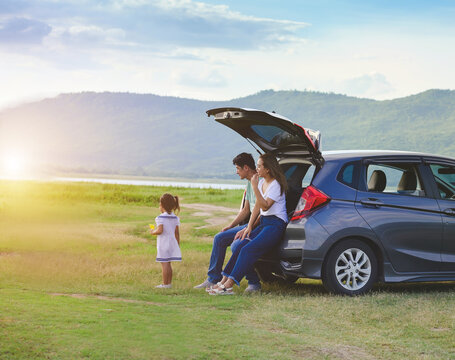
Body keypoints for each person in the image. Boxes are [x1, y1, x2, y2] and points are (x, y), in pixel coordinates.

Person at [209, 153, 288, 295]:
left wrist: (254, 186)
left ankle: (229, 286)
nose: (256, 169)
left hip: (275, 225)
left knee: (248, 249)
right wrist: (249, 226)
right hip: (264, 223)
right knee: (239, 245)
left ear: (268, 169)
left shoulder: (275, 185)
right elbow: (257, 207)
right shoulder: (263, 183)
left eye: (259, 166)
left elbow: (265, 206)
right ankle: (222, 281)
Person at [194, 152, 262, 292]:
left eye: (238, 168)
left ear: (246, 168)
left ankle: (254, 282)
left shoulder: (259, 182)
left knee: (239, 244)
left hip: (259, 225)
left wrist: (248, 228)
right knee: (220, 237)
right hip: (249, 224)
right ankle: (213, 278)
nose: (236, 172)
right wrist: (230, 226)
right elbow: (245, 210)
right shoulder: (250, 184)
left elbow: (262, 211)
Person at [150, 193, 181, 288]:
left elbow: (160, 230)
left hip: (163, 243)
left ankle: (164, 284)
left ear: (162, 205)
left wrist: (152, 232)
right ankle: (169, 283)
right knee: (169, 263)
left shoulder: (160, 218)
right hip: (172, 243)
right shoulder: (175, 218)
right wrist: (177, 244)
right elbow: (177, 233)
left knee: (164, 264)